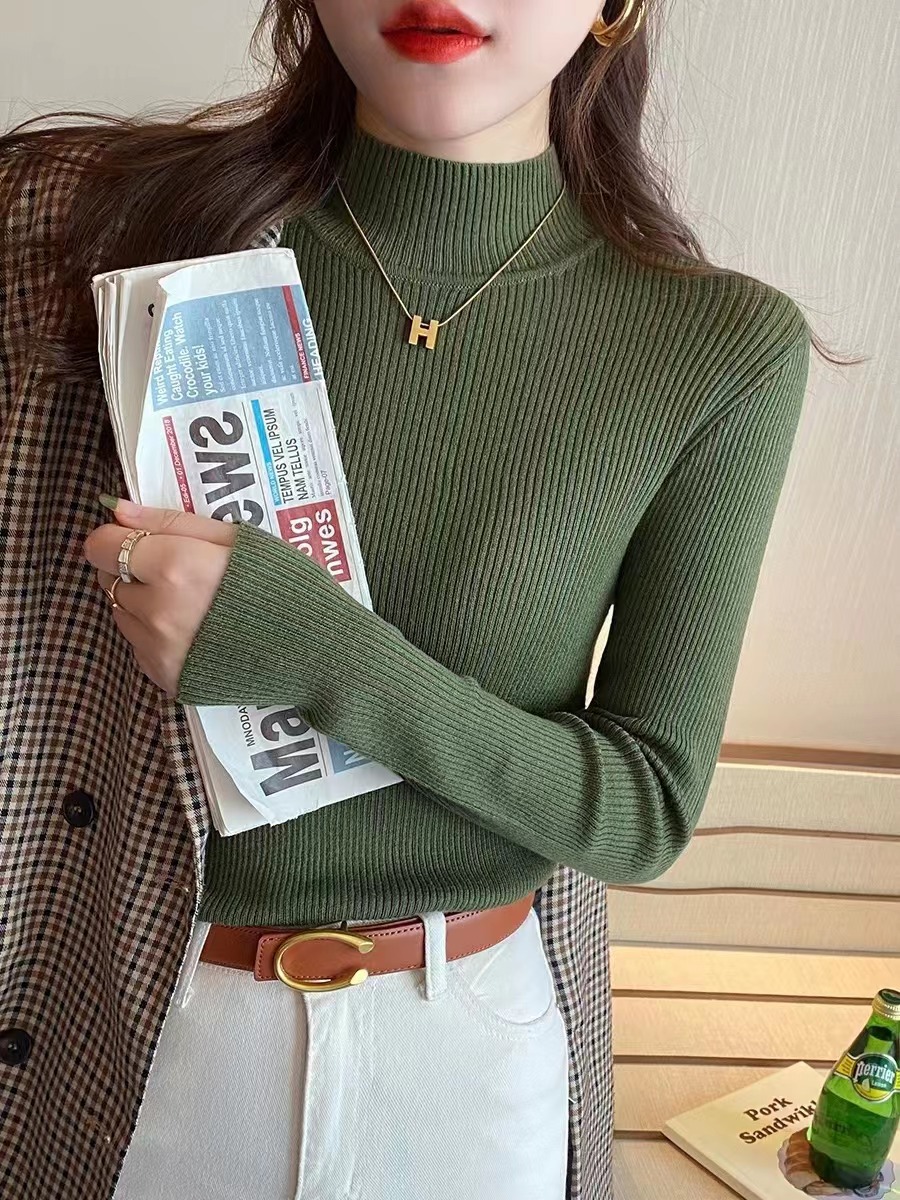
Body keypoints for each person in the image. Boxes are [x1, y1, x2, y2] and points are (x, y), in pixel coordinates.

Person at [0, 2, 829, 1198]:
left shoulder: (718, 347)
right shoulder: (78, 233)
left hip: (467, 1064)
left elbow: (645, 805)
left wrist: (317, 652)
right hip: (139, 1028)